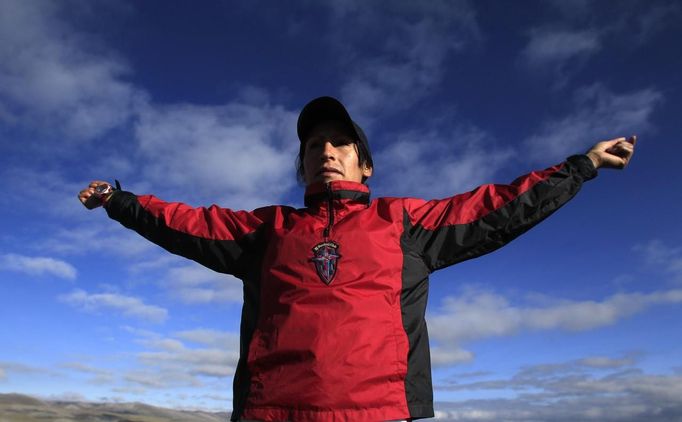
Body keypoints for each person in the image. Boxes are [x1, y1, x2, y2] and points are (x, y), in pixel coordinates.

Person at [79, 96, 636, 422]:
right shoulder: (267, 229)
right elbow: (188, 222)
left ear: (364, 166)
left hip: (377, 413)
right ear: (302, 167)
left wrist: (581, 166)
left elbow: (497, 206)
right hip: (272, 413)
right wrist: (119, 201)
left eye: (340, 143)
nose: (325, 151)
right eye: (313, 146)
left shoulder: (404, 223)